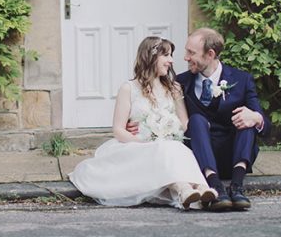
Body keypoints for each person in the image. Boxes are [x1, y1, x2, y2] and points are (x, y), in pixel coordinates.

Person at [69, 36, 217, 210]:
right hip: (138, 145)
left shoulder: (174, 88)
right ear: (151, 57)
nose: (171, 60)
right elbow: (118, 130)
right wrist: (146, 143)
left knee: (176, 149)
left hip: (169, 145)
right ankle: (183, 189)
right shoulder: (128, 88)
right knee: (164, 149)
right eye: (166, 55)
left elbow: (185, 123)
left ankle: (201, 189)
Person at [176, 27, 270, 211]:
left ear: (210, 54)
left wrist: (256, 117)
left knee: (246, 117)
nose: (185, 57)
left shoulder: (242, 79)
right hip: (199, 162)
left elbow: (266, 127)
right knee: (196, 120)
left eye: (191, 52)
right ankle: (215, 186)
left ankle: (237, 186)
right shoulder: (180, 82)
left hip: (232, 157)